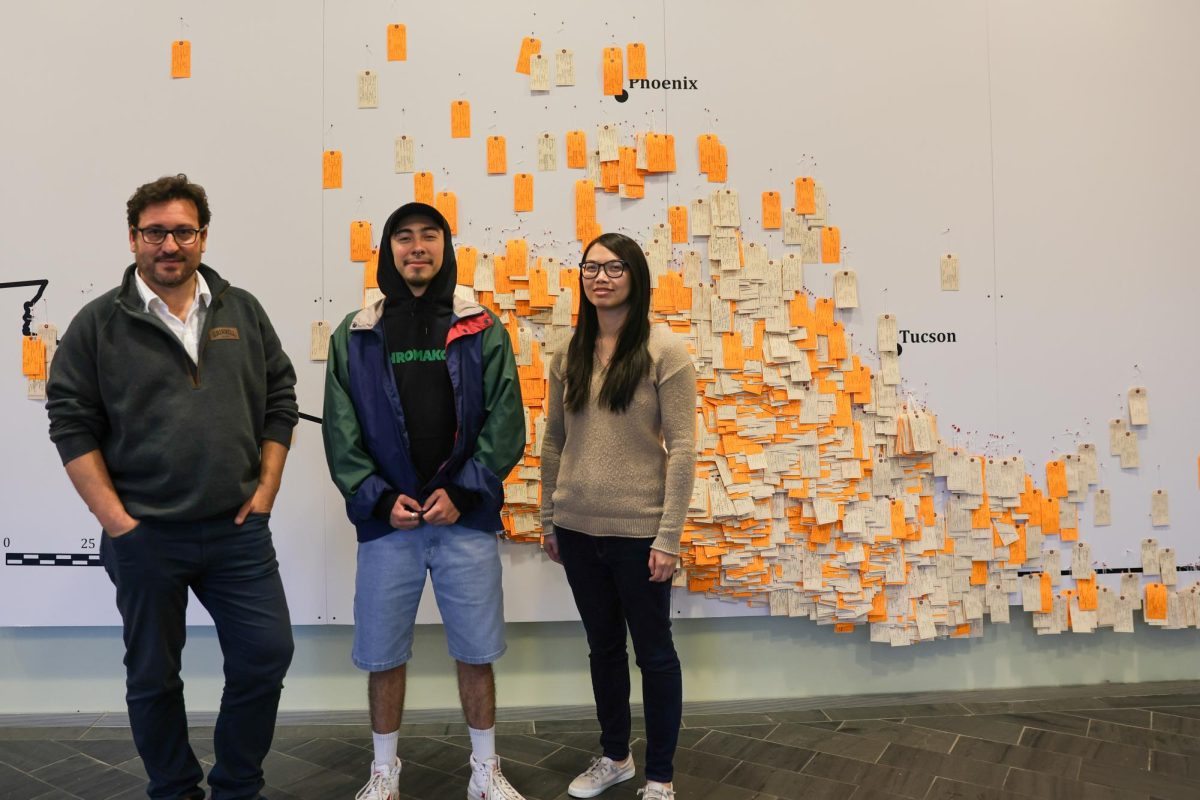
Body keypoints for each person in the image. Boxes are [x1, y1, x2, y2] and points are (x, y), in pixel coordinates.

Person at [46, 174, 298, 800]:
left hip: (238, 532)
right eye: (155, 232)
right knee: (154, 676)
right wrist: (118, 525)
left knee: (266, 656)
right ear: (133, 238)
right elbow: (71, 425)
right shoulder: (98, 324)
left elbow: (281, 401)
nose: (170, 244)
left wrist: (264, 495)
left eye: (184, 231)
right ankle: (174, 788)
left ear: (203, 238)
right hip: (145, 535)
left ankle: (238, 784)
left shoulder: (241, 310)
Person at [322, 202, 527, 800]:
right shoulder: (357, 333)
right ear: (387, 249)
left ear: (445, 247)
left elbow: (506, 420)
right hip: (389, 524)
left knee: (477, 649)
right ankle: (384, 772)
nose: (417, 248)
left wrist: (465, 492)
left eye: (428, 237)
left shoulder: (480, 326)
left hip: (464, 518)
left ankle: (485, 770)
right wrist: (377, 498)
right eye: (403, 237)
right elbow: (341, 428)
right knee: (383, 654)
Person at [541, 233, 697, 800]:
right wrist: (547, 516)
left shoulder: (665, 351)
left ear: (635, 275)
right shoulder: (569, 352)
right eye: (591, 267)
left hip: (640, 532)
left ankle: (660, 776)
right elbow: (554, 440)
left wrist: (669, 535)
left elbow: (682, 448)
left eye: (613, 267)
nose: (600, 277)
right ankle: (615, 757)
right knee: (602, 648)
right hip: (577, 528)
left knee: (654, 653)